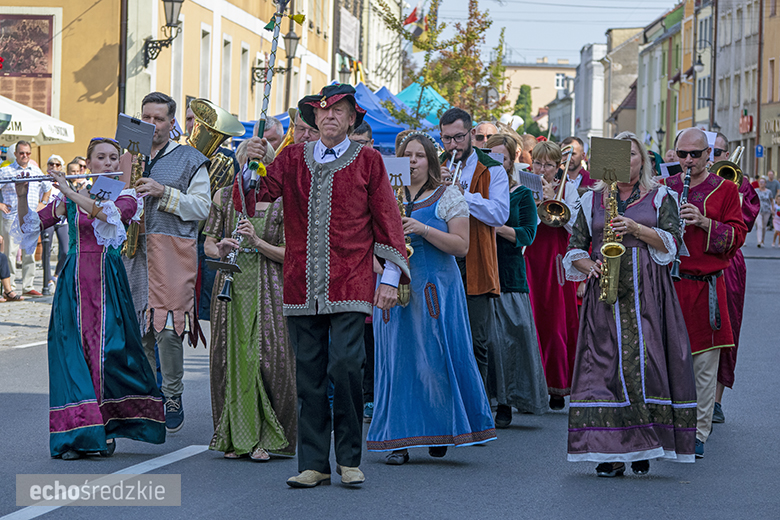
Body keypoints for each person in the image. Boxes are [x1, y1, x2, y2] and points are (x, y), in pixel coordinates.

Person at [243, 84, 409, 488]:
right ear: (314, 119)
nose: (329, 116)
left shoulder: (369, 160)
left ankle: (349, 459)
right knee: (309, 374)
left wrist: (389, 277)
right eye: (322, 111)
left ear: (352, 119)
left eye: (339, 111)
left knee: (347, 366)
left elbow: (387, 218)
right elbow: (258, 194)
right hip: (301, 284)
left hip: (350, 283)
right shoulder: (292, 158)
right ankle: (314, 464)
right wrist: (249, 164)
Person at [14, 138, 165, 459]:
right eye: (102, 158)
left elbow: (108, 216)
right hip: (74, 283)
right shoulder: (72, 197)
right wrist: (23, 196)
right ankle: (78, 432)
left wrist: (69, 191)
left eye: (113, 158)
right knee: (72, 354)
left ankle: (107, 424)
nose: (109, 163)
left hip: (108, 284)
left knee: (109, 352)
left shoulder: (127, 196)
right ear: (90, 162)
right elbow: (34, 225)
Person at [564, 131, 696, 477]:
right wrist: (588, 265)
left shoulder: (660, 196)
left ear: (643, 160)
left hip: (647, 291)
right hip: (604, 294)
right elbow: (575, 247)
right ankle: (609, 451)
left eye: (632, 155)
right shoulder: (590, 199)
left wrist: (636, 227)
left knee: (646, 368)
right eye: (619, 155)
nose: (626, 161)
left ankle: (643, 444)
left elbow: (673, 241)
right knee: (605, 370)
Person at [367, 131, 496, 464]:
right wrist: (380, 271)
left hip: (435, 289)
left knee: (434, 360)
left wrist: (423, 229)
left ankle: (440, 427)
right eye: (407, 155)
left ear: (430, 160)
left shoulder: (447, 195)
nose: (412, 161)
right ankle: (397, 440)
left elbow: (461, 246)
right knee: (395, 361)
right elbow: (366, 245)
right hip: (391, 289)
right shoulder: (384, 196)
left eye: (420, 155)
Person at [124, 92, 211, 434]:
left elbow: (202, 208)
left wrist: (165, 193)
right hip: (135, 250)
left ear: (172, 123)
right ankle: (149, 396)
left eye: (159, 118)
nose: (152, 124)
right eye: (147, 116)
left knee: (168, 328)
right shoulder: (130, 154)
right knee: (140, 328)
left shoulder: (191, 158)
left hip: (172, 248)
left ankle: (172, 395)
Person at [203, 140, 293, 461]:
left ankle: (262, 439)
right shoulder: (224, 197)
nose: (249, 169)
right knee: (231, 358)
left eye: (256, 163)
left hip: (267, 286)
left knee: (262, 356)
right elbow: (209, 244)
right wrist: (222, 247)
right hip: (230, 285)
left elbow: (290, 254)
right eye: (245, 163)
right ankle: (232, 434)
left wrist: (257, 243)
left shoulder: (282, 202)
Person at [661, 127, 747, 458]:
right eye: (681, 154)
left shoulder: (725, 189)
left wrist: (704, 222)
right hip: (671, 284)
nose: (687, 161)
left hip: (707, 287)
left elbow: (738, 235)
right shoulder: (666, 187)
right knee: (668, 361)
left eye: (694, 155)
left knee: (704, 368)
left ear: (707, 156)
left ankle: (697, 432)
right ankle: (668, 427)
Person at [439, 108, 509, 388]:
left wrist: (461, 194)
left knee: (475, 340)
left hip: (476, 261)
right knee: (443, 337)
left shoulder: (492, 169)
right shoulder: (437, 164)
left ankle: (477, 410)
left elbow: (499, 214)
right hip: (442, 257)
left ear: (470, 134)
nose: (452, 145)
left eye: (458, 138)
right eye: (446, 139)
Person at [485, 134, 547, 427]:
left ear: (511, 161)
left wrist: (495, 226)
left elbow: (527, 234)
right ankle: (485, 401)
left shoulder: (520, 193)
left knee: (510, 341)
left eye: (502, 158)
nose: (497, 163)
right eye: (491, 157)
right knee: (485, 343)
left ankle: (508, 401)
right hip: (478, 272)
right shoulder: (475, 190)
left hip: (509, 274)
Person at [524, 140, 580, 410]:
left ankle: (557, 386)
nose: (542, 169)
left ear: (558, 168)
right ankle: (529, 386)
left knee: (556, 323)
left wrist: (550, 199)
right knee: (529, 320)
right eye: (538, 163)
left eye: (548, 165)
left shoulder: (568, 188)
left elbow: (574, 226)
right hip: (530, 257)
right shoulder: (523, 184)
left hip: (556, 260)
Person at [710, 134, 759, 424]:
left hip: (728, 262)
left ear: (727, 153)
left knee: (726, 330)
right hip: (694, 261)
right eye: (711, 151)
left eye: (719, 151)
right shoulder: (688, 182)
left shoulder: (740, 183)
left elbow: (745, 223)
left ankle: (716, 401)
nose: (715, 156)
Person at [349, 120, 377, 422]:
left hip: (375, 266)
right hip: (353, 267)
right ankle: (360, 396)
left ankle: (371, 394)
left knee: (373, 337)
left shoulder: (378, 169)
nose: (358, 149)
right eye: (353, 143)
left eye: (363, 144)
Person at [0, 140, 51, 297]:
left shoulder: (36, 171)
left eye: (28, 153)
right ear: (15, 154)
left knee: (30, 252)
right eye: (21, 153)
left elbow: (47, 188)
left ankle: (28, 285)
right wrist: (0, 204)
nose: (25, 156)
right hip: (11, 216)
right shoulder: (6, 171)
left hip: (30, 218)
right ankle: (10, 287)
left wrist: (42, 204)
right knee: (10, 253)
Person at [755, 177, 772, 247]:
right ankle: (759, 241)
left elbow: (771, 201)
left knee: (764, 227)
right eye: (760, 182)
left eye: (763, 182)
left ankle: (762, 241)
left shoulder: (769, 192)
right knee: (759, 226)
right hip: (758, 210)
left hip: (766, 210)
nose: (761, 184)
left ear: (765, 183)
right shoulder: (755, 191)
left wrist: (772, 210)